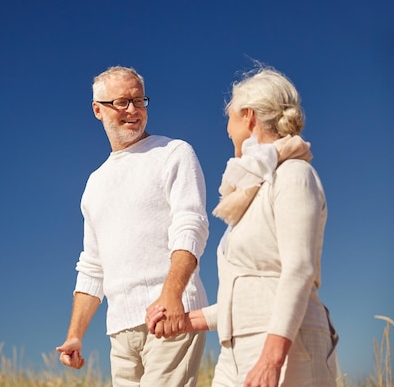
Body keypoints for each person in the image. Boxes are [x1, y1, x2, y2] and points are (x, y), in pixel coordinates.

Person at [147, 65, 339, 386]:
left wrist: (271, 358)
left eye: (230, 118)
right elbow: (245, 298)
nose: (227, 129)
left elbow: (299, 271)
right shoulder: (250, 193)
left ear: (248, 117)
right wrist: (185, 321)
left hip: (288, 348)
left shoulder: (293, 175)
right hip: (235, 352)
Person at [56, 66, 210, 386]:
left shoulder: (173, 153)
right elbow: (92, 266)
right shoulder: (95, 184)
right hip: (120, 331)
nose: (134, 110)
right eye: (122, 102)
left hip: (170, 316)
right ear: (98, 109)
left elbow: (191, 226)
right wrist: (75, 336)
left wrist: (171, 297)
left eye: (140, 101)